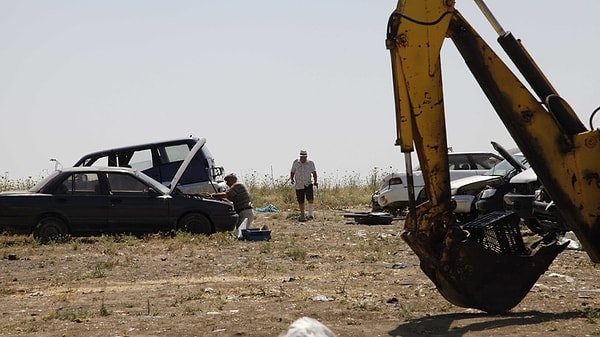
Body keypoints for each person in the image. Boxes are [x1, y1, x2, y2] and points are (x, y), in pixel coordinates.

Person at [290, 150, 318, 222]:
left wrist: (315, 181)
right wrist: (292, 179)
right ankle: (302, 214)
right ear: (300, 157)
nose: (303, 158)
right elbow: (292, 171)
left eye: (304, 157)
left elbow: (314, 172)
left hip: (308, 183)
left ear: (306, 157)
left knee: (310, 198)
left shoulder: (310, 163)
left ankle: (310, 214)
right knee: (301, 200)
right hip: (299, 184)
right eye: (302, 157)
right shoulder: (296, 162)